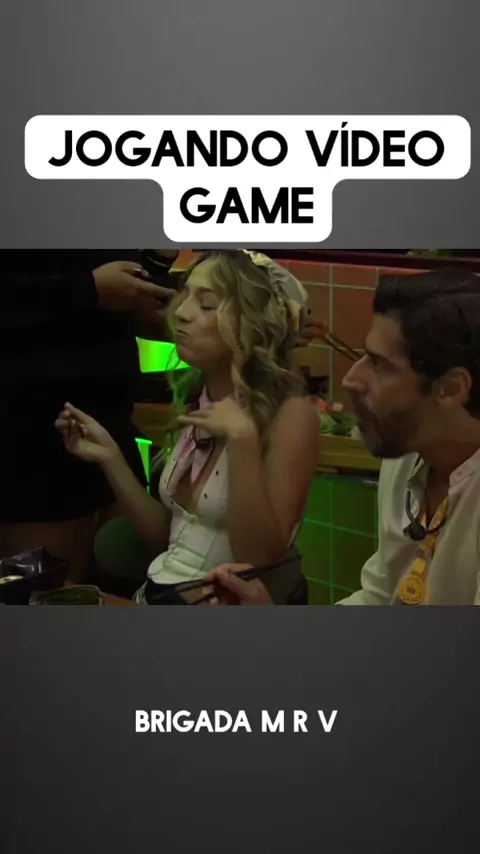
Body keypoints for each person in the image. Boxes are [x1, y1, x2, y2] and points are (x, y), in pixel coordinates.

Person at [55, 250, 319, 604]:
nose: (181, 312)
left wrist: (242, 441)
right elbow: (165, 538)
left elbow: (258, 559)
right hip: (159, 597)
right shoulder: (201, 399)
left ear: (253, 325)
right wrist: (109, 457)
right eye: (186, 295)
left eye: (207, 305)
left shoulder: (291, 414)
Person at [205, 268, 480, 606]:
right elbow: (380, 597)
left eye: (378, 364)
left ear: (450, 388)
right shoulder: (408, 456)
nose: (351, 378)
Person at [0, 249, 178, 580]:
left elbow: (131, 309)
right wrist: (87, 289)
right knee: (40, 592)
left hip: (109, 424)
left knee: (120, 576)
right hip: (30, 434)